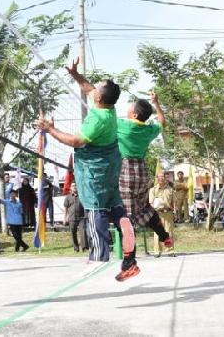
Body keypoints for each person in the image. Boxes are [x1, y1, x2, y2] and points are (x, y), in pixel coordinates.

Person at [35, 57, 139, 282]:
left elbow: (75, 141)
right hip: (111, 164)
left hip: (97, 169)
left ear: (100, 97)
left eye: (97, 87)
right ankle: (130, 260)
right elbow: (88, 88)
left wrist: (50, 129)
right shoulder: (107, 106)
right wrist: (74, 74)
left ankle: (99, 256)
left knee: (94, 208)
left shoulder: (97, 119)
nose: (94, 88)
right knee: (115, 206)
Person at [116, 92, 173, 254]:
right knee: (145, 207)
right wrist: (156, 103)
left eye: (130, 107)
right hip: (142, 172)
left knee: (127, 217)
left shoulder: (122, 125)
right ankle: (164, 236)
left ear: (134, 114)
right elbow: (162, 121)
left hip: (126, 172)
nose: (127, 108)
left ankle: (130, 258)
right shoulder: (148, 129)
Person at [149, 172, 175, 257]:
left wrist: (176, 213)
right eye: (159, 177)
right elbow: (151, 203)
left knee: (169, 232)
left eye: (162, 176)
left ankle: (170, 251)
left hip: (168, 213)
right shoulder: (152, 190)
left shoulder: (170, 189)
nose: (161, 178)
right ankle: (157, 251)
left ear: (165, 177)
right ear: (156, 178)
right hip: (157, 213)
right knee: (157, 233)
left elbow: (173, 202)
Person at [63, 182, 88, 252]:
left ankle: (84, 248)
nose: (75, 187)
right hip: (72, 218)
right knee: (73, 233)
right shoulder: (68, 197)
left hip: (82, 217)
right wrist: (65, 218)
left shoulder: (82, 196)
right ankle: (76, 248)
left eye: (76, 186)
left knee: (83, 232)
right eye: (73, 186)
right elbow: (65, 208)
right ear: (70, 188)